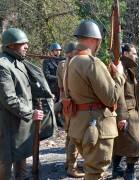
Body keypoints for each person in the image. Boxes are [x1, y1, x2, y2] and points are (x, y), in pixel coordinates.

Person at [66, 20, 122, 179]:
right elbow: (111, 98)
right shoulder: (91, 63)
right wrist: (119, 75)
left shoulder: (71, 61)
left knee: (92, 170)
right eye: (98, 41)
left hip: (80, 125)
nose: (99, 45)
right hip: (96, 126)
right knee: (95, 173)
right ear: (93, 40)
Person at [0, 28, 44, 180]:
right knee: (7, 161)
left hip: (21, 121)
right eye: (22, 44)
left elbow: (26, 89)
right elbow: (9, 99)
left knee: (21, 156)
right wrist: (30, 113)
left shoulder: (17, 62)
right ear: (11, 45)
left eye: (26, 43)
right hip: (9, 124)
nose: (26, 46)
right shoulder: (0, 66)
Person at [111, 44, 139, 180]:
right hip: (125, 112)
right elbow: (119, 94)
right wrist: (122, 116)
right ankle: (130, 172)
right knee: (134, 144)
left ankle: (116, 169)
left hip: (131, 110)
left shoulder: (127, 68)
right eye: (134, 53)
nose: (136, 56)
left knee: (120, 143)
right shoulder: (119, 67)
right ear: (125, 53)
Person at [55, 41, 84, 178]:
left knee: (70, 135)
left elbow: (61, 88)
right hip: (73, 104)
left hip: (66, 103)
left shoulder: (62, 64)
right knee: (74, 136)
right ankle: (71, 166)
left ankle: (69, 163)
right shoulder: (73, 64)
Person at [43, 42, 64, 127]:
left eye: (59, 50)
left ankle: (58, 120)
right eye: (56, 50)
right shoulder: (47, 61)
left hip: (60, 87)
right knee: (51, 104)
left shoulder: (62, 60)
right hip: (51, 87)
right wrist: (58, 78)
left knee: (60, 104)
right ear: (52, 51)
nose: (58, 52)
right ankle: (49, 122)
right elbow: (46, 75)